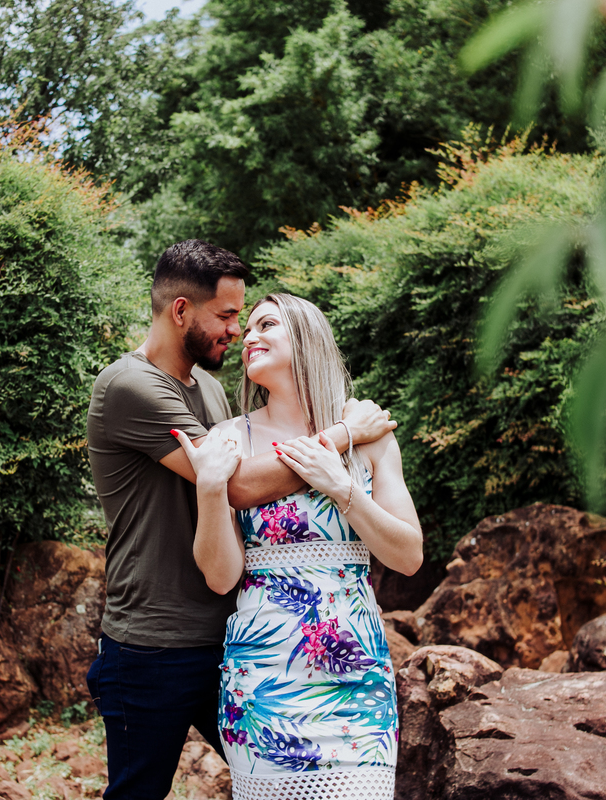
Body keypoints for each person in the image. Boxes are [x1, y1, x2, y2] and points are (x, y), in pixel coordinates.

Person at [86, 242, 397, 800]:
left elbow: (241, 490)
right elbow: (241, 485)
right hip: (152, 642)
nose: (237, 330)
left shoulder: (207, 388)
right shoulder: (130, 385)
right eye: (228, 315)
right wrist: (344, 437)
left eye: (247, 319)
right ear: (181, 310)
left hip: (233, 635)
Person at [172, 292, 424, 800]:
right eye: (247, 329)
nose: (249, 336)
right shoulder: (230, 439)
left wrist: (344, 490)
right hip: (265, 676)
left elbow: (409, 555)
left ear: (306, 337)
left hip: (357, 677)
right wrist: (211, 488)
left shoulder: (370, 434)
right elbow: (221, 577)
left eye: (266, 325)